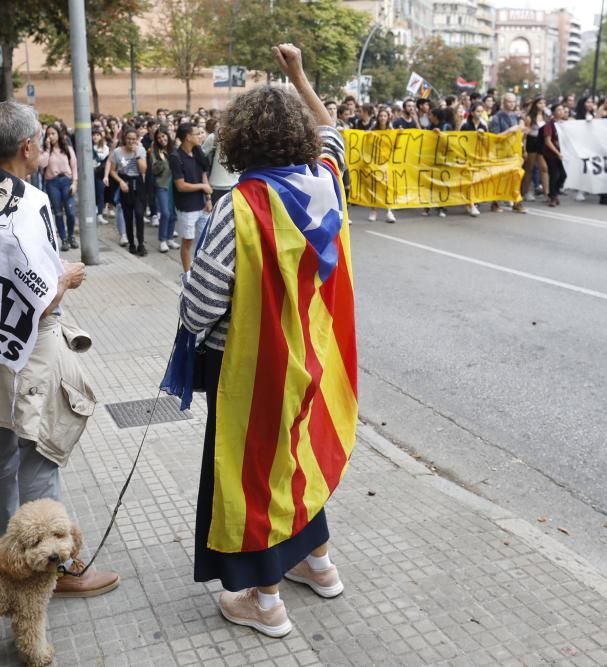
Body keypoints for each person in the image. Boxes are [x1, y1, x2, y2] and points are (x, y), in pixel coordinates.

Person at [173, 42, 357, 640]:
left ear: (239, 141)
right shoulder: (325, 183)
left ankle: (265, 599)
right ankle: (318, 564)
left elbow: (200, 305)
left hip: (253, 368)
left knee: (255, 474)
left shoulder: (238, 207)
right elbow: (333, 131)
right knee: (298, 456)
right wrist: (300, 75)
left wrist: (186, 332)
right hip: (313, 357)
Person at [0, 100, 119, 596]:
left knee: (1, 449)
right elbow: (40, 293)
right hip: (28, 349)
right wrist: (68, 275)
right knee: (40, 456)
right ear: (28, 146)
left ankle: (7, 554)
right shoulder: (26, 203)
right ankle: (51, 567)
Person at [171, 122, 211, 271]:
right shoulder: (176, 157)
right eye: (197, 134)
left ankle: (201, 270)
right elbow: (180, 186)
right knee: (187, 241)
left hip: (202, 204)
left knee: (205, 240)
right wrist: (203, 187)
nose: (200, 136)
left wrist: (208, 199)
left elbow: (203, 175)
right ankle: (187, 273)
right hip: (187, 207)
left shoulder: (198, 153)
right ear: (187, 137)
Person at [38, 125, 80, 251]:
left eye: (53, 133)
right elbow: (42, 164)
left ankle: (71, 235)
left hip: (67, 181)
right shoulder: (44, 150)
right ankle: (64, 239)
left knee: (71, 212)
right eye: (49, 134)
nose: (51, 136)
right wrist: (48, 148)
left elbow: (74, 166)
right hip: (52, 183)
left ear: (58, 134)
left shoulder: (67, 149)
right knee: (58, 212)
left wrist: (75, 182)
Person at [108, 127, 148, 255]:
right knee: (128, 216)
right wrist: (120, 181)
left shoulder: (141, 150)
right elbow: (112, 170)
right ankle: (131, 243)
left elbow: (143, 170)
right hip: (125, 182)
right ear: (124, 139)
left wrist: (136, 154)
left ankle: (141, 243)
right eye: (129, 139)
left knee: (139, 214)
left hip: (138, 183)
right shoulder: (118, 152)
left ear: (137, 140)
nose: (131, 142)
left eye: (134, 139)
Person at [488, 92, 527, 213]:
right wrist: (510, 130)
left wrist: (522, 132)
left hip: (514, 152)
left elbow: (520, 135)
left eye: (514, 101)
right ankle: (495, 203)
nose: (512, 104)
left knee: (516, 177)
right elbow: (494, 137)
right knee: (500, 178)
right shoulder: (496, 118)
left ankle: (517, 203)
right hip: (501, 152)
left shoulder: (516, 117)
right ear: (503, 102)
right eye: (509, 101)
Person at [148, 127, 178, 253]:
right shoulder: (154, 152)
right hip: (162, 185)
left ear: (168, 136)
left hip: (175, 185)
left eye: (163, 136)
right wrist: (163, 159)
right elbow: (154, 170)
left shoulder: (174, 149)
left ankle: (170, 238)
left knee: (173, 213)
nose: (162, 139)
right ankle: (162, 240)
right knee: (165, 213)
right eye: (159, 137)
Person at [367, 107, 396, 223]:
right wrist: (367, 135)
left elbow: (395, 144)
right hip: (375, 162)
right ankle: (373, 211)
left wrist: (399, 134)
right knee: (374, 186)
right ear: (378, 118)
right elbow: (366, 142)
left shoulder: (391, 129)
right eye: (381, 116)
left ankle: (389, 211)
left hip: (386, 162)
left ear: (388, 117)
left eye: (385, 116)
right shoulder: (373, 128)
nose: (383, 118)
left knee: (387, 187)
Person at [540, 103, 566, 207]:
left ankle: (555, 191)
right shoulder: (549, 125)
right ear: (553, 112)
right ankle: (553, 197)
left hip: (563, 153)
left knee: (563, 175)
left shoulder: (566, 124)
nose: (561, 112)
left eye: (562, 109)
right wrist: (557, 152)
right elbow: (547, 141)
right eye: (558, 110)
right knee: (554, 175)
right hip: (551, 154)